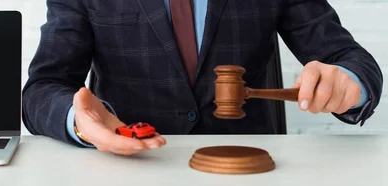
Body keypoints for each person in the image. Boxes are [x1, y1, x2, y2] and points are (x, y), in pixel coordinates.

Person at [21, 0, 383, 155]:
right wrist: (81, 124)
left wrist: (349, 83)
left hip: (249, 170)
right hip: (131, 169)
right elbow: (42, 88)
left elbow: (351, 60)